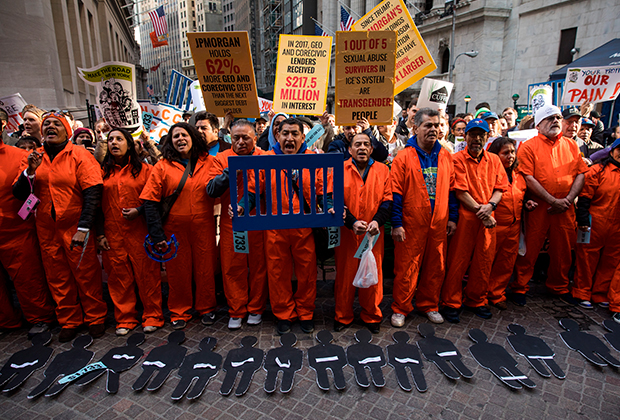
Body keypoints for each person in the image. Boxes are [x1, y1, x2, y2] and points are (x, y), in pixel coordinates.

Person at [12, 111, 107, 342]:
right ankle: (69, 319)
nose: (50, 128)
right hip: (46, 228)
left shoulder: (80, 155)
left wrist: (84, 227)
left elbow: (93, 193)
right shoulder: (35, 157)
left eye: (56, 124)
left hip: (75, 226)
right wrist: (30, 172)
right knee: (58, 276)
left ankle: (95, 317)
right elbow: (19, 193)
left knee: (86, 274)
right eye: (47, 125)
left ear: (67, 130)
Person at [237, 118, 325, 335]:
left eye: (295, 134)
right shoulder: (265, 160)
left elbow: (324, 189)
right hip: (275, 227)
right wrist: (241, 207)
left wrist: (331, 207)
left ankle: (305, 312)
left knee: (307, 271)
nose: (290, 138)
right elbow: (252, 189)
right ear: (277, 136)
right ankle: (283, 313)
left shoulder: (313, 160)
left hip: (304, 226)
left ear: (303, 138)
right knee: (277, 273)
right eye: (285, 133)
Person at [141, 122, 217, 329]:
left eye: (184, 135)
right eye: (176, 137)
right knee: (177, 271)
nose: (180, 139)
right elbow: (150, 201)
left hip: (204, 226)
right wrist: (157, 235)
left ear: (193, 137)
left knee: (205, 269)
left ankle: (206, 308)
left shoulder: (210, 162)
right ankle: (179, 311)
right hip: (174, 229)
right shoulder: (162, 166)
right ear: (170, 142)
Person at [510, 105, 588, 305]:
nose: (555, 121)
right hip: (539, 207)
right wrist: (553, 200)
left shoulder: (571, 145)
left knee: (563, 249)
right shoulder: (528, 146)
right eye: (549, 118)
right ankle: (520, 286)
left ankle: (559, 286)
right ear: (538, 124)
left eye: (557, 117)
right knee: (531, 248)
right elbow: (528, 177)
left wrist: (568, 200)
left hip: (565, 208)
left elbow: (581, 173)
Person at [390, 108, 456, 326]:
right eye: (429, 125)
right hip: (411, 223)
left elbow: (452, 190)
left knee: (436, 266)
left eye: (437, 125)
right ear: (415, 128)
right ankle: (401, 307)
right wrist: (397, 223)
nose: (434, 130)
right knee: (406, 267)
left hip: (438, 223)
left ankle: (429, 304)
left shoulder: (446, 155)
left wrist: (452, 218)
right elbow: (396, 192)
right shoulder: (403, 157)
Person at [96, 128, 164, 335]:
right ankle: (125, 318)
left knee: (147, 275)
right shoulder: (101, 172)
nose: (114, 143)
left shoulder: (145, 170)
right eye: (110, 140)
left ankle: (153, 315)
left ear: (129, 143)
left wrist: (139, 211)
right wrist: (99, 234)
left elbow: (157, 201)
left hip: (140, 232)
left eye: (119, 139)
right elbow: (94, 204)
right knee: (118, 277)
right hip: (112, 233)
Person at [440, 119, 508, 323]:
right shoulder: (456, 159)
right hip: (466, 218)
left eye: (481, 135)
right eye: (472, 134)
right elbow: (460, 191)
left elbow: (500, 187)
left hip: (488, 217)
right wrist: (483, 211)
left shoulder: (494, 160)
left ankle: (477, 300)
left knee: (484, 261)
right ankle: (451, 301)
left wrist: (491, 207)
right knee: (458, 261)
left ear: (487, 137)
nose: (476, 139)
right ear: (465, 136)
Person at [206, 120, 267, 330]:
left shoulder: (265, 158)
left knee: (259, 266)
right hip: (231, 222)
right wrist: (232, 172)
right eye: (236, 138)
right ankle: (236, 309)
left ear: (255, 139)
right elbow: (211, 189)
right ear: (229, 139)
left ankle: (256, 308)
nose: (240, 142)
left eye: (246, 138)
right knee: (232, 266)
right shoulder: (222, 159)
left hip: (259, 221)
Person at [333, 132, 392, 334]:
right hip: (348, 233)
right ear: (350, 150)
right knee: (345, 275)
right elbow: (334, 199)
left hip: (374, 233)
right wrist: (350, 221)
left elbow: (388, 200)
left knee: (374, 273)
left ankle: (372, 315)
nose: (362, 148)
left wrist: (377, 221)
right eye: (357, 144)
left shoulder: (383, 170)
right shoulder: (339, 169)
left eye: (366, 144)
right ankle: (343, 315)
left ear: (371, 148)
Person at [0, 126, 55, 336]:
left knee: (28, 278)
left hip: (16, 229)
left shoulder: (19, 156)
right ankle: (5, 320)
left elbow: (25, 189)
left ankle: (39, 317)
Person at [486, 137, 537, 310]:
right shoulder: (489, 174)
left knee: (506, 262)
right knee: (486, 261)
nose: (510, 156)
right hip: (494, 225)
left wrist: (527, 203)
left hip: (514, 227)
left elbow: (521, 196)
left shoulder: (519, 176)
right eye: (505, 153)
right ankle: (480, 293)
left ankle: (497, 293)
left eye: (512, 152)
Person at [572, 138, 620, 309]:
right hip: (594, 222)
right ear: (612, 151)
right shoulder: (598, 171)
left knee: (611, 261)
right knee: (586, 258)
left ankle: (600, 293)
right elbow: (585, 197)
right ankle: (581, 291)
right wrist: (583, 219)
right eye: (619, 150)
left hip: (616, 227)